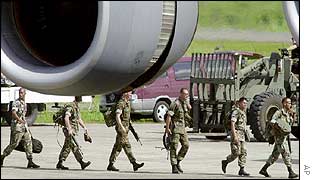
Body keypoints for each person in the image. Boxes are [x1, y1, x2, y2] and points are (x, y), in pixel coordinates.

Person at [259, 97, 298, 178]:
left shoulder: (287, 113)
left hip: (284, 137)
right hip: (279, 138)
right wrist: (277, 130)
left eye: (290, 103)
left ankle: (264, 169)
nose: (290, 104)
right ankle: (290, 172)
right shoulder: (279, 112)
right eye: (288, 102)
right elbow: (272, 121)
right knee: (286, 153)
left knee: (274, 155)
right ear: (284, 104)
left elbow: (289, 125)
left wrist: (293, 116)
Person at [1, 88, 40, 168]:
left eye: (22, 93)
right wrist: (20, 120)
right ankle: (2, 156)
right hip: (17, 127)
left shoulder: (24, 103)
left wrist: (25, 123)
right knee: (14, 144)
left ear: (25, 94)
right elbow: (13, 113)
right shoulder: (16, 103)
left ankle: (30, 161)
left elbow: (23, 114)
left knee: (28, 142)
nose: (20, 94)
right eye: (20, 93)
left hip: (23, 127)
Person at [107, 91, 144, 172]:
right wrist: (121, 127)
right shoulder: (121, 103)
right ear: (125, 94)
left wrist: (133, 131)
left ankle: (110, 164)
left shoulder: (127, 103)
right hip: (122, 129)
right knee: (126, 145)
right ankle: (134, 163)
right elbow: (117, 116)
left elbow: (128, 118)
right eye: (130, 93)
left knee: (118, 146)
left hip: (126, 128)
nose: (131, 94)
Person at [56, 96, 91, 170]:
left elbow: (78, 119)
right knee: (74, 146)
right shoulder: (71, 107)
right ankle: (82, 162)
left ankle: (60, 163)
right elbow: (66, 118)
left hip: (73, 131)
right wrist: (69, 129)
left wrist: (85, 127)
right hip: (69, 130)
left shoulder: (76, 107)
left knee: (67, 146)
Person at [165, 88, 192, 174]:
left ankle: (178, 161)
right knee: (174, 147)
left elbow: (187, 113)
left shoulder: (184, 103)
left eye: (187, 94)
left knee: (186, 145)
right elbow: (169, 116)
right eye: (185, 94)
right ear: (180, 94)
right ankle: (174, 166)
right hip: (176, 128)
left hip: (183, 129)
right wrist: (167, 128)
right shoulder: (175, 104)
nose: (186, 96)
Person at [221, 97, 250, 176]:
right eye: (244, 103)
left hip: (242, 135)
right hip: (236, 134)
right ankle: (226, 161)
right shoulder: (236, 112)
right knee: (236, 153)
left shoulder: (243, 112)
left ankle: (242, 169)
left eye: (246, 103)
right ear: (239, 103)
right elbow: (232, 124)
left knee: (243, 152)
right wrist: (235, 136)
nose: (245, 105)